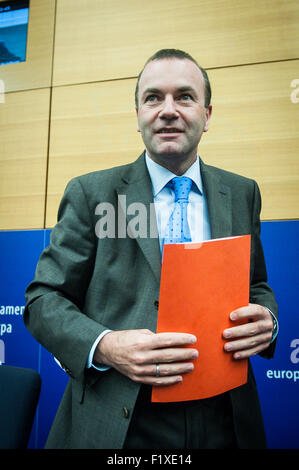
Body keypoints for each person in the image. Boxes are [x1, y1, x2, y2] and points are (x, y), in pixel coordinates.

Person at [24, 49, 278, 449]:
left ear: (207, 115)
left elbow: (257, 285)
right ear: (138, 114)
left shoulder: (242, 193)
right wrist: (105, 346)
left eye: (185, 97)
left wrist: (267, 317)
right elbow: (43, 300)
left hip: (225, 416)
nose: (168, 110)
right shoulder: (92, 194)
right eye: (153, 97)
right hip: (123, 419)